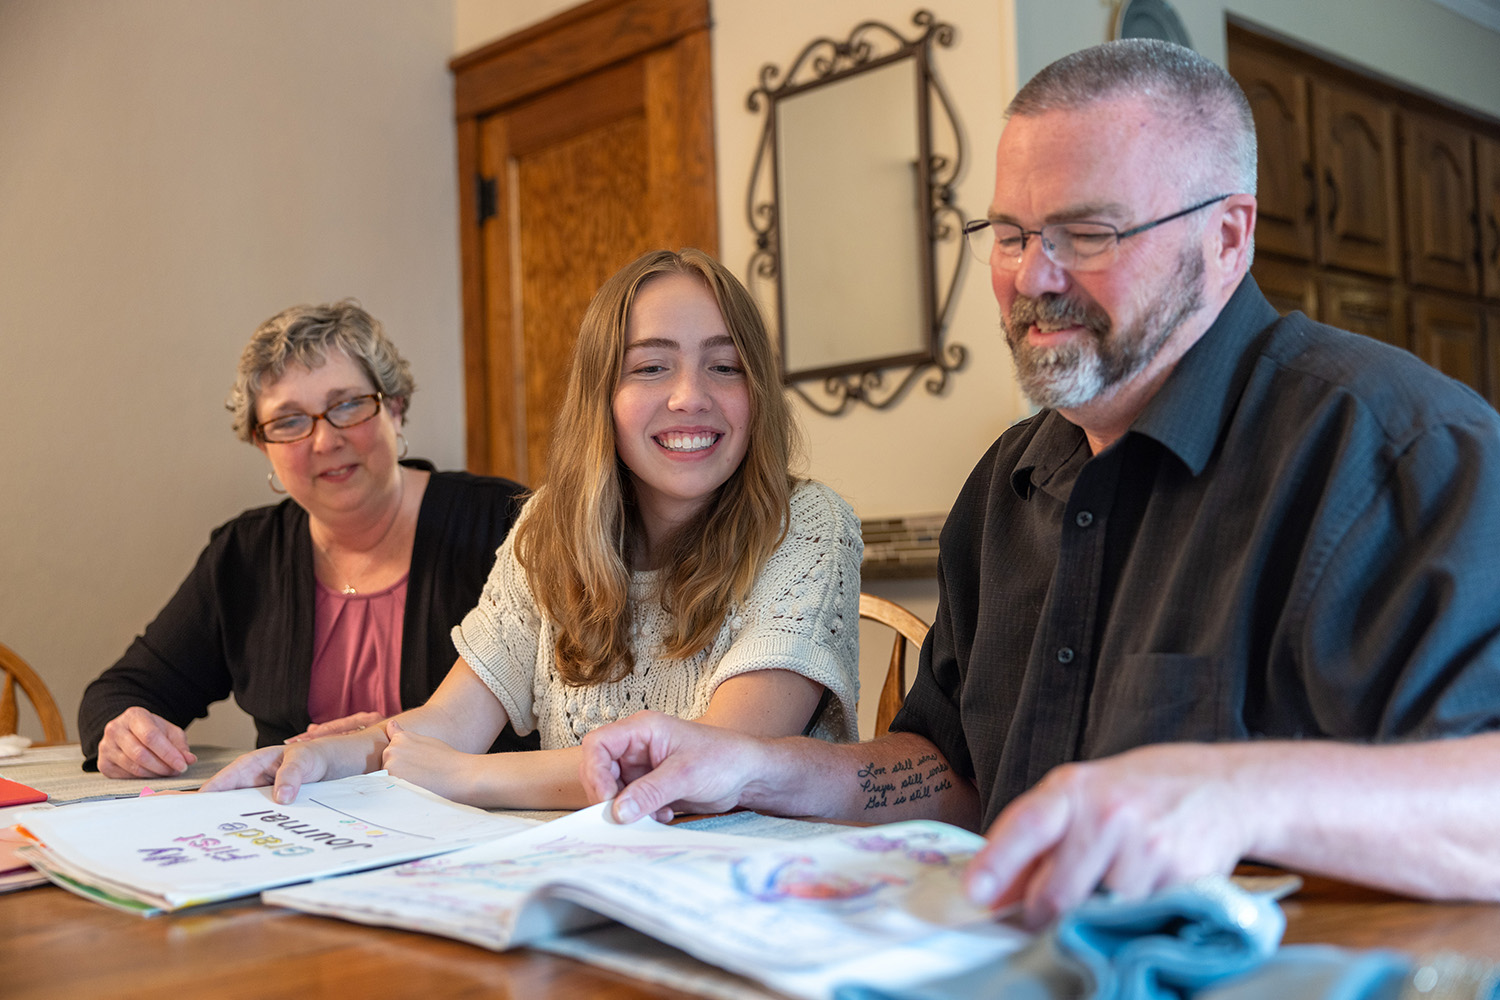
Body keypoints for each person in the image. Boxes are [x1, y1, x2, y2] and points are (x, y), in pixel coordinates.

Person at [578, 39, 1500, 928]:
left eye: (1086, 234)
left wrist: (1230, 793)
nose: (1032, 276)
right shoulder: (1006, 486)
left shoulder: (1396, 450)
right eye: (1011, 234)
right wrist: (754, 768)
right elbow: (952, 772)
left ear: (1228, 236)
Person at [202, 248, 862, 808]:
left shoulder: (805, 526)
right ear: (600, 396)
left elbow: (707, 774)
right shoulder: (549, 526)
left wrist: (466, 776)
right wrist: (321, 759)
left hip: (755, 897)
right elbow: (446, 723)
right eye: (651, 366)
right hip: (584, 890)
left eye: (726, 366)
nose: (691, 395)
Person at [79, 301, 535, 777]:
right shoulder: (245, 555)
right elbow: (122, 691)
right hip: (297, 829)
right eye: (289, 421)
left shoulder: (505, 524)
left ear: (394, 408)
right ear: (263, 444)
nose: (324, 440)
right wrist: (126, 732)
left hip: (475, 827)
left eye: (347, 405)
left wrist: (392, 742)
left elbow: (567, 715)